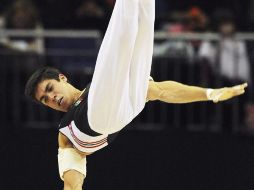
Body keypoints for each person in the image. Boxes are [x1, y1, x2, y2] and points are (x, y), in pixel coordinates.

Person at [25, 0, 247, 190]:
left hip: (127, 104)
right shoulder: (66, 131)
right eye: (45, 100)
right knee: (123, 33)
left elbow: (163, 91)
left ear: (62, 78)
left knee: (142, 20)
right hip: (100, 117)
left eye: (50, 89)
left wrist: (210, 93)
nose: (51, 98)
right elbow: (72, 183)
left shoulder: (99, 87)